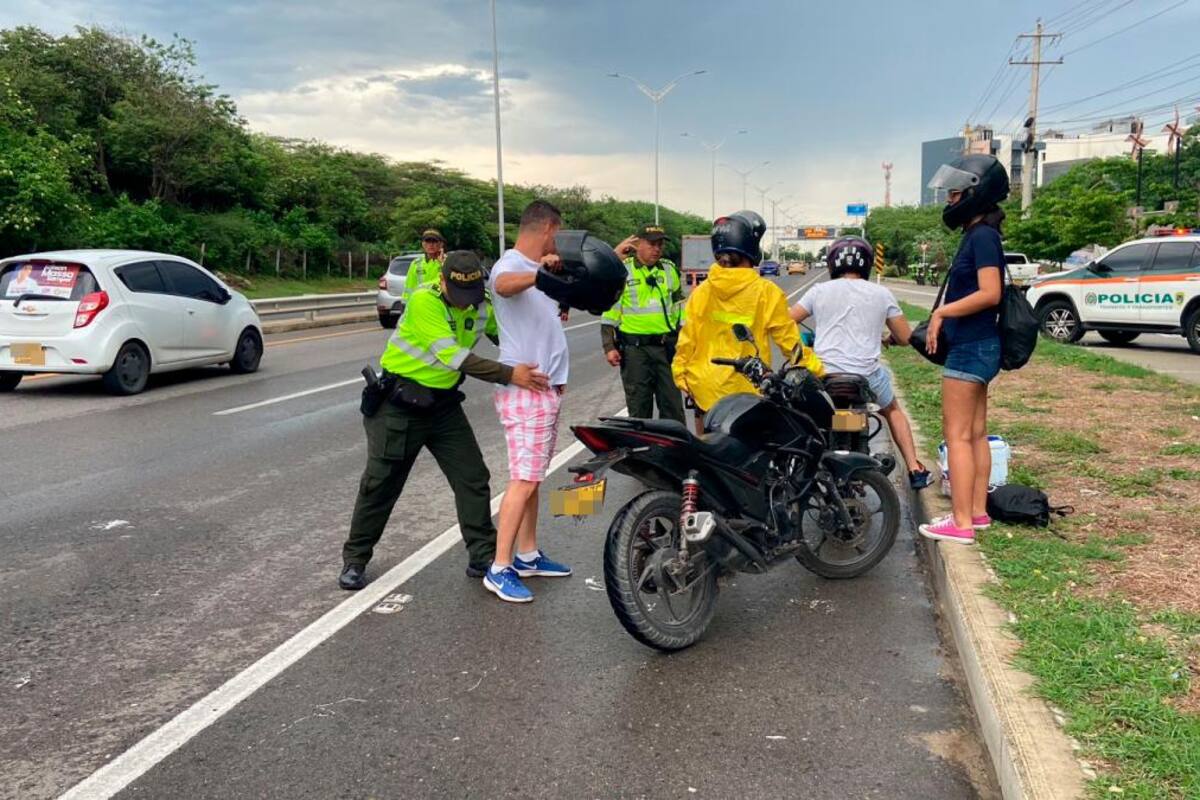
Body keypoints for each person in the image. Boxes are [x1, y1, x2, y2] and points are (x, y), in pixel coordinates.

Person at [338, 251, 549, 590]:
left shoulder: (480, 303)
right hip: (399, 407)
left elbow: (507, 335)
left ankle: (483, 556)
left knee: (472, 477)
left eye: (472, 295)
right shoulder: (426, 301)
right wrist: (512, 375)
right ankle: (356, 559)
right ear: (442, 281)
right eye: (459, 294)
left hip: (443, 407)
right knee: (381, 484)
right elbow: (453, 357)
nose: (466, 303)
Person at [790, 236, 933, 490]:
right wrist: (889, 339)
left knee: (801, 415)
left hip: (824, 375)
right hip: (866, 376)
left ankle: (795, 471)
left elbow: (787, 319)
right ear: (866, 263)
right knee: (893, 411)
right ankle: (914, 469)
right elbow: (905, 337)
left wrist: (803, 345)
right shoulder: (882, 293)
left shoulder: (819, 291)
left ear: (833, 263)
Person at [485, 200, 573, 603]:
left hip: (543, 389)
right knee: (523, 479)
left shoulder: (537, 270)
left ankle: (528, 554)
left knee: (533, 477)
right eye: (558, 232)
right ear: (548, 228)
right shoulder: (511, 264)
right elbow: (502, 285)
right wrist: (538, 273)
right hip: (526, 393)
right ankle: (500, 567)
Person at [918, 154, 1009, 545]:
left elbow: (990, 293)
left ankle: (960, 523)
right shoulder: (981, 234)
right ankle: (976, 512)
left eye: (955, 193)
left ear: (977, 192)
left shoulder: (983, 237)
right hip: (980, 345)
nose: (950, 200)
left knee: (956, 435)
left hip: (971, 347)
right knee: (975, 434)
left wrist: (942, 312)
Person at [672, 210, 823, 435]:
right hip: (748, 394)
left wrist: (681, 376)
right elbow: (791, 345)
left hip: (704, 390)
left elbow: (686, 340)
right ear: (752, 249)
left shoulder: (701, 292)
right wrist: (819, 373)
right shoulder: (766, 292)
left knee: (707, 452)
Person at [601, 223, 686, 423]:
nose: (657, 249)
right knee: (639, 410)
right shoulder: (623, 270)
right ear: (637, 244)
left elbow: (679, 307)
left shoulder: (669, 270)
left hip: (666, 349)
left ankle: (672, 445)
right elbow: (610, 311)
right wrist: (609, 346)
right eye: (651, 244)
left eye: (660, 245)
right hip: (635, 352)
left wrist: (684, 339)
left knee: (673, 409)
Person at [401, 229, 447, 305]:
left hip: (440, 305)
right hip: (420, 304)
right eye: (427, 241)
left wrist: (442, 263)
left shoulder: (447, 262)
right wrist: (405, 305)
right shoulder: (416, 264)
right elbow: (409, 288)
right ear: (423, 244)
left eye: (434, 241)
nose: (431, 244)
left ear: (441, 244)